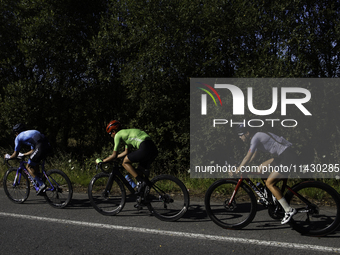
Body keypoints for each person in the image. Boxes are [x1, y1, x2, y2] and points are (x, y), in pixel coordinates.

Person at [233, 123, 298, 224]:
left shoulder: (256, 138)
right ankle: (269, 195)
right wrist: (241, 166)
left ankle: (288, 210)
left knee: (269, 183)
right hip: (284, 156)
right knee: (261, 168)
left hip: (288, 157)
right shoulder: (256, 138)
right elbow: (253, 157)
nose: (240, 137)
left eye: (241, 134)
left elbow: (247, 157)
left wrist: (237, 170)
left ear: (247, 133)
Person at [96, 120, 158, 194]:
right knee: (139, 171)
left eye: (110, 133)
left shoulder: (118, 135)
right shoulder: (126, 134)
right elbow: (126, 152)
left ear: (113, 131)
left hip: (144, 147)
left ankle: (140, 182)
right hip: (153, 148)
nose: (110, 136)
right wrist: (113, 157)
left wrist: (103, 161)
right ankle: (142, 197)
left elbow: (114, 155)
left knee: (124, 162)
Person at [4, 123, 52, 195]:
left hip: (40, 146)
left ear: (16, 132)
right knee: (34, 162)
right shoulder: (29, 133)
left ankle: (41, 184)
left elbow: (15, 154)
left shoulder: (18, 137)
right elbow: (33, 151)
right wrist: (23, 154)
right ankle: (39, 181)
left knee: (28, 166)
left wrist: (8, 157)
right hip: (47, 145)